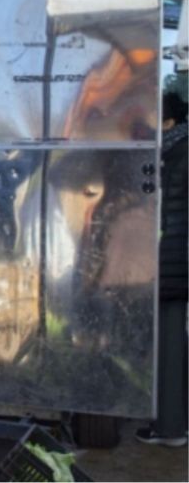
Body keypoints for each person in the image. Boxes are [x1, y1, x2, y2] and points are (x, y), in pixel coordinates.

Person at [136, 85, 188, 447]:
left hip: (172, 258)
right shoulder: (180, 147)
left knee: (168, 342)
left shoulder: (175, 152)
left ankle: (170, 428)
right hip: (176, 255)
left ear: (169, 120)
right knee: (173, 339)